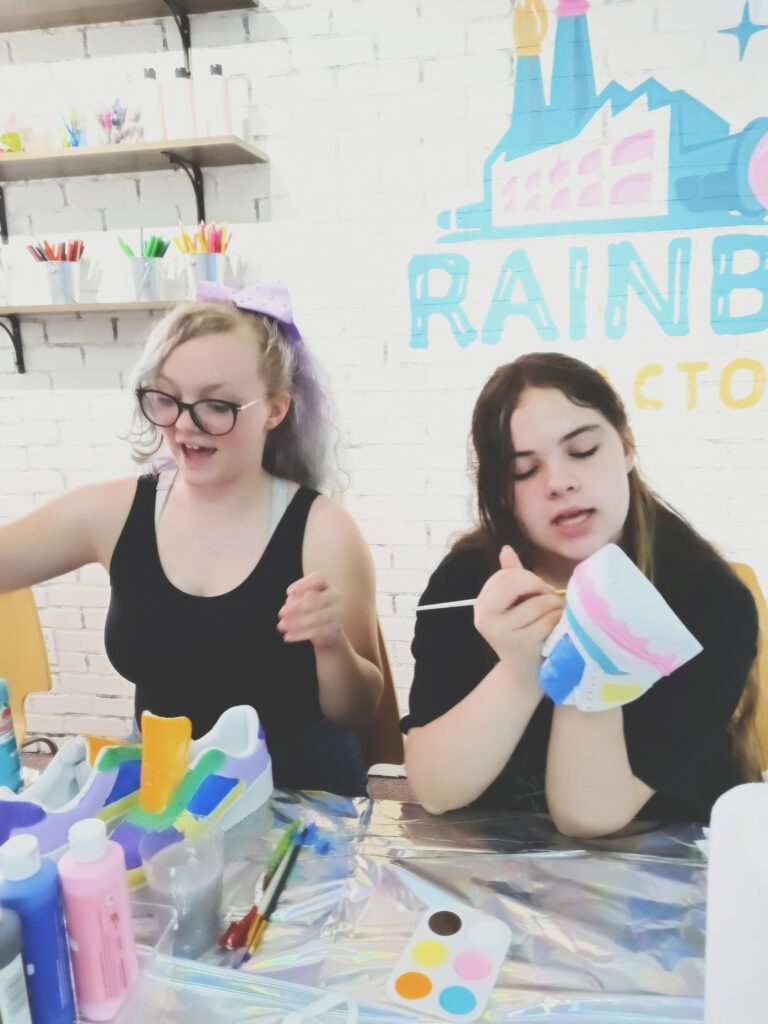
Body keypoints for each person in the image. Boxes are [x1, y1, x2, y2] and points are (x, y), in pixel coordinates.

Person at [0, 283, 383, 796]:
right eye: (167, 398)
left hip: (297, 808)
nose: (184, 424)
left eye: (216, 405)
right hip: (165, 795)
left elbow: (360, 710)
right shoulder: (114, 513)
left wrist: (331, 645)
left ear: (274, 410)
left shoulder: (324, 531)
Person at [402, 352, 762, 836]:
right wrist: (519, 670)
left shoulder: (709, 600)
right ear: (502, 492)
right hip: (499, 869)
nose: (560, 483)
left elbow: (588, 815)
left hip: (661, 866)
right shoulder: (468, 582)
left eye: (583, 450)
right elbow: (435, 789)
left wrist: (588, 651)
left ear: (627, 446)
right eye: (524, 470)